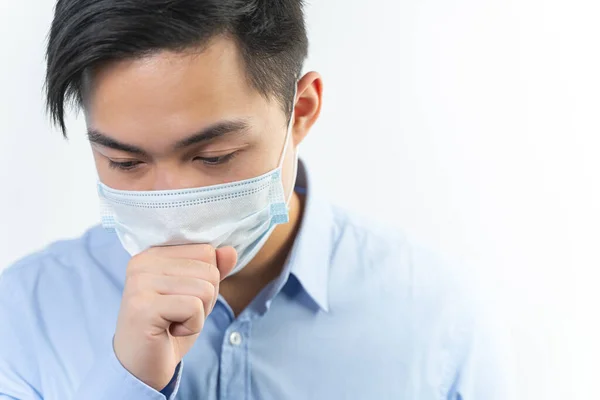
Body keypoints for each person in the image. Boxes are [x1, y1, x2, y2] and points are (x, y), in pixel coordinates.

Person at [0, 1, 514, 399]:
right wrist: (127, 381)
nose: (173, 203)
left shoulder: (435, 321)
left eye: (214, 155)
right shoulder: (23, 316)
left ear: (303, 111)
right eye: (126, 163)